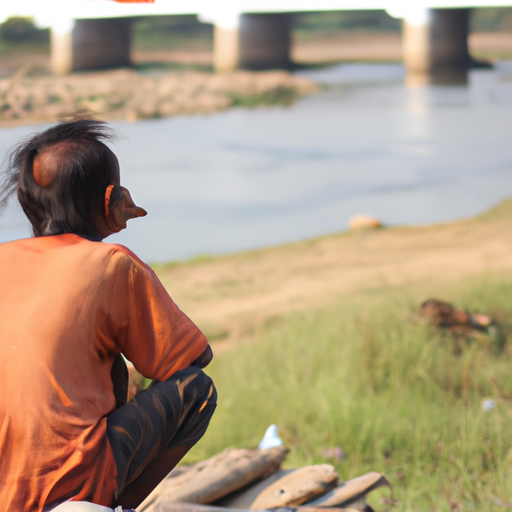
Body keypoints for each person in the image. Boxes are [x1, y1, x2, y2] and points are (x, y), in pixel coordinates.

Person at [0, 119, 216, 511]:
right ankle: (113, 503)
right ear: (111, 200)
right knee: (197, 390)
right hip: (63, 483)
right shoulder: (111, 264)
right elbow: (191, 360)